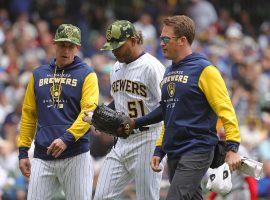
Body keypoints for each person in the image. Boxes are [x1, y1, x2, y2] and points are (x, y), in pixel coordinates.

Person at [131, 15, 242, 200]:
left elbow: (226, 109)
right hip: (174, 150)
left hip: (197, 149)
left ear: (182, 40)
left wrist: (232, 147)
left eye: (166, 39)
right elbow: (169, 113)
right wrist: (160, 149)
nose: (162, 43)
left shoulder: (205, 69)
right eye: (161, 39)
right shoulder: (168, 71)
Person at [17, 24, 99, 200]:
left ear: (77, 47)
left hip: (75, 154)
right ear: (54, 44)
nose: (66, 50)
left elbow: (88, 112)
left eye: (71, 46)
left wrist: (66, 138)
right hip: (42, 155)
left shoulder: (87, 74)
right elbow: (29, 114)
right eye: (63, 45)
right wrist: (23, 151)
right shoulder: (38, 75)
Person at [90, 20, 166, 200]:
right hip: (122, 141)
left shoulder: (152, 67)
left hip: (147, 139)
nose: (114, 51)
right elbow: (120, 101)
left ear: (133, 40)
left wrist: (136, 123)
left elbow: (167, 106)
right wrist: (98, 116)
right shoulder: (116, 68)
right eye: (112, 47)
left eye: (118, 46)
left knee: (147, 197)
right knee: (101, 196)